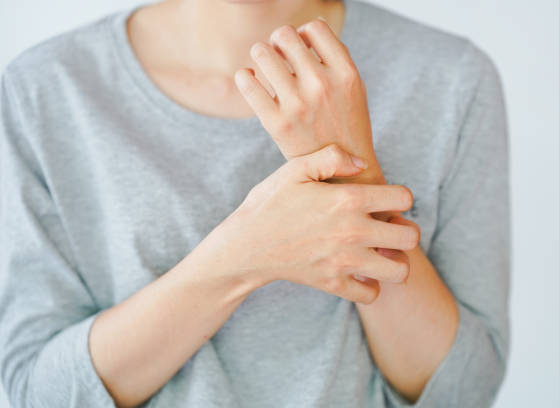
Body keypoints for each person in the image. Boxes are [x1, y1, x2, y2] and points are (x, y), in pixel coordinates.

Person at [0, 0, 511, 407]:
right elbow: (37, 392)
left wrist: (350, 168)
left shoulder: (451, 77)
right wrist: (243, 255)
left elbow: (465, 390)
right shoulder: (44, 90)